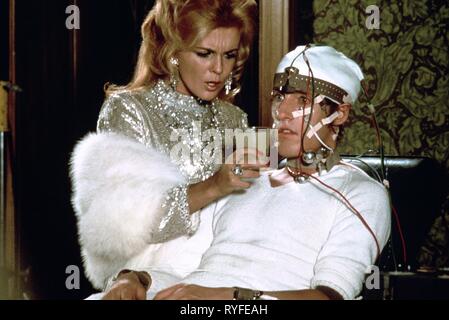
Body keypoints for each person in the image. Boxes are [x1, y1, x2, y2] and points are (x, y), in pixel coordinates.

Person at [100, 45, 392, 300]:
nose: (282, 112)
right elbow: (183, 270)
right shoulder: (243, 177)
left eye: (302, 101)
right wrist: (135, 279)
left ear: (339, 113)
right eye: (279, 97)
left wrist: (229, 297)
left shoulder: (362, 193)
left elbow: (329, 297)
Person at [70, 0, 260, 294]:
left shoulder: (234, 119)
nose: (219, 69)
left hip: (221, 274)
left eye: (229, 55)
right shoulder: (130, 110)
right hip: (142, 277)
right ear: (173, 54)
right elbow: (120, 227)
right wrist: (214, 186)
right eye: (204, 54)